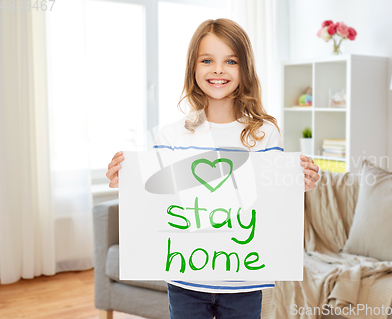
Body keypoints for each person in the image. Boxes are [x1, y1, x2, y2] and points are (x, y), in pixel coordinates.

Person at [106, 18, 320, 319]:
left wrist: (299, 183)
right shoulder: (171, 135)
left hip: (245, 279)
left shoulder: (264, 133)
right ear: (193, 68)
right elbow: (156, 198)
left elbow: (272, 198)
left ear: (244, 69)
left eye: (230, 61)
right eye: (207, 60)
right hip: (185, 279)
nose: (218, 69)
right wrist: (125, 181)